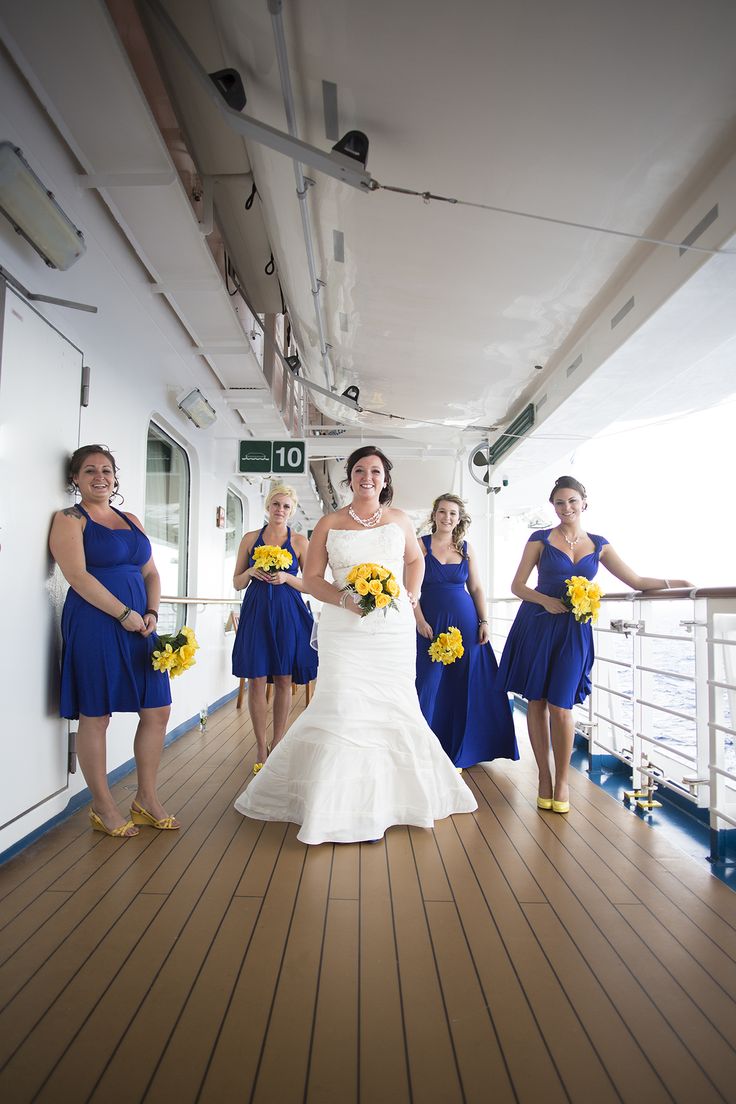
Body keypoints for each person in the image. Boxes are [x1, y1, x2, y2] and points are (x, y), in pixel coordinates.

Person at [234, 446, 477, 844]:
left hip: (392, 630)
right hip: (343, 626)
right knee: (343, 704)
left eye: (376, 471)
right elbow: (312, 578)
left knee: (395, 706)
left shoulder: (400, 521)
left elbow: (415, 562)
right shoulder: (329, 523)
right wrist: (345, 600)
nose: (368, 477)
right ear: (349, 478)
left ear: (385, 479)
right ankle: (333, 804)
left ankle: (395, 800)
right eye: (360, 470)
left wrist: (410, 595)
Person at [498, 475, 692, 814]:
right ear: (554, 507)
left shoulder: (599, 544)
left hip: (574, 630)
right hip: (539, 624)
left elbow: (635, 580)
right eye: (560, 503)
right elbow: (517, 585)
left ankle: (562, 781)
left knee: (562, 705)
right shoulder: (540, 539)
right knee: (538, 701)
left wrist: (678, 583)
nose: (567, 508)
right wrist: (545, 601)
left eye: (572, 501)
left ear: (584, 503)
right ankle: (544, 778)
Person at [49, 445, 177, 838]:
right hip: (96, 622)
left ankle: (146, 799)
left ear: (115, 477)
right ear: (75, 479)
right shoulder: (70, 519)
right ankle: (103, 807)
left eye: (106, 470)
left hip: (141, 624)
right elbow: (78, 576)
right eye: (89, 471)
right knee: (97, 714)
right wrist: (123, 614)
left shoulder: (132, 519)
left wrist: (152, 613)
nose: (99, 477)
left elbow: (151, 572)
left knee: (157, 710)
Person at [415, 494, 518, 769]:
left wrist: (483, 622)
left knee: (466, 686)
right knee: (427, 684)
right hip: (430, 625)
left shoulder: (466, 548)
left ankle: (461, 751)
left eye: (453, 514)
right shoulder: (419, 546)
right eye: (442, 512)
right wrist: (419, 621)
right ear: (434, 514)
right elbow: (408, 590)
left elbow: (476, 589)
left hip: (467, 625)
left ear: (459, 519)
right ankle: (424, 750)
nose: (447, 517)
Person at [231, 484, 317, 772]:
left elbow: (311, 584)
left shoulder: (301, 542)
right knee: (256, 678)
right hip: (256, 609)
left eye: (286, 507)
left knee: (283, 679)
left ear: (291, 511)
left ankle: (278, 743)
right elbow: (236, 582)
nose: (280, 510)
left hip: (287, 611)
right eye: (276, 504)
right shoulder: (249, 539)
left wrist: (286, 577)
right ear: (268, 506)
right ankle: (260, 745)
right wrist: (250, 572)